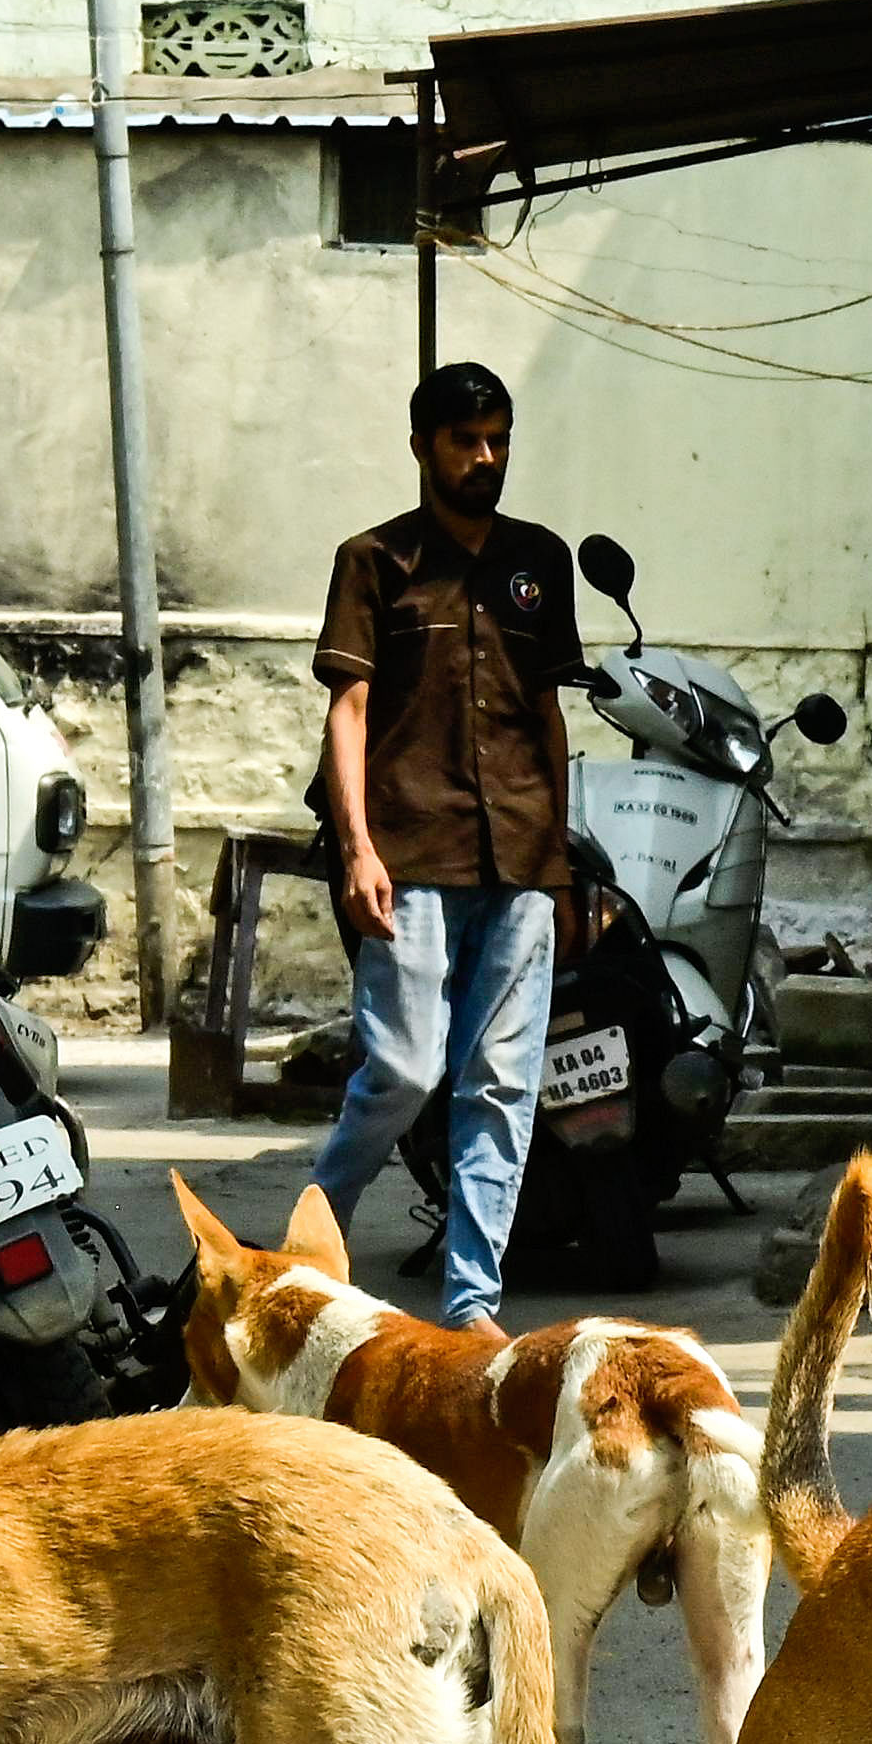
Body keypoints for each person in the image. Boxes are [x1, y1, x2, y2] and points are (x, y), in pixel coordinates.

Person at [313, 359, 589, 1331]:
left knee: (504, 1084)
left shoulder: (539, 562)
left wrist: (558, 856)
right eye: (466, 441)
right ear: (423, 445)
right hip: (410, 852)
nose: (485, 458)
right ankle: (307, 1247)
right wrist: (356, 850)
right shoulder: (373, 561)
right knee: (403, 1072)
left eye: (498, 439)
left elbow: (548, 714)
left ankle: (472, 1303)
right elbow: (347, 711)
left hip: (517, 855)